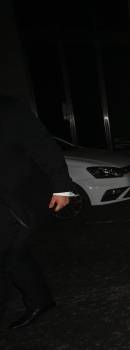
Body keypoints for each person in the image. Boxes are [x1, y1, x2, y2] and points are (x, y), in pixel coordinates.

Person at [0, 94, 73, 329]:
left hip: (19, 199)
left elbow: (43, 146)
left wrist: (62, 188)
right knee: (13, 254)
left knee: (12, 253)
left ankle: (38, 301)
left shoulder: (8, 109)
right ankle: (40, 300)